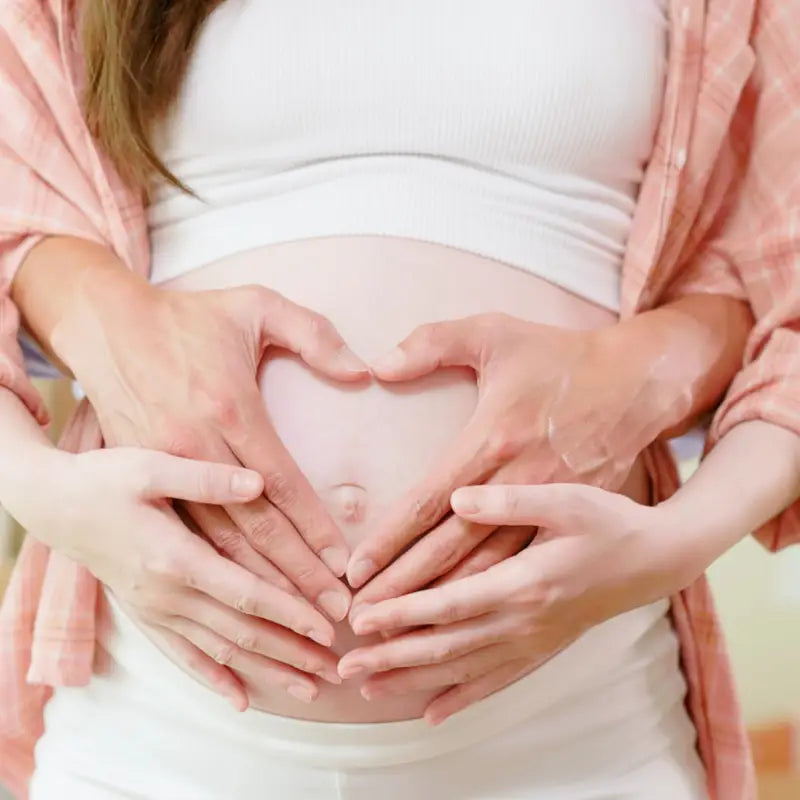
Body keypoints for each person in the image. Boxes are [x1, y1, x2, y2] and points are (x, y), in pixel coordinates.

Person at [0, 1, 797, 798]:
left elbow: (780, 287)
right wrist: (41, 489)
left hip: (578, 736)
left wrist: (680, 541)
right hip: (155, 736)